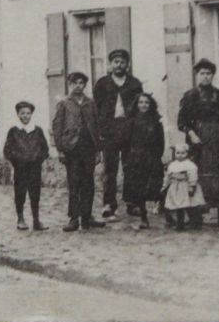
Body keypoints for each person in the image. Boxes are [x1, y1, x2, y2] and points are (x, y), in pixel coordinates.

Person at [176, 58, 219, 228]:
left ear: (213, 75)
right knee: (196, 174)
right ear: (197, 75)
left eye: (209, 73)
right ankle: (196, 216)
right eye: (202, 73)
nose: (206, 77)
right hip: (198, 139)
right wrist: (191, 133)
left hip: (217, 138)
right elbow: (182, 121)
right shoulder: (190, 96)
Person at [94, 48, 143, 219]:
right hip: (110, 132)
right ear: (110, 64)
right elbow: (97, 110)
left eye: (122, 62)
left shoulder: (134, 84)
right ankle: (109, 204)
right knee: (110, 169)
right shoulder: (102, 84)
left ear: (127, 64)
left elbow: (140, 108)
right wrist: (100, 131)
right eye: (116, 62)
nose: (119, 65)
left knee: (132, 168)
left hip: (129, 130)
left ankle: (132, 202)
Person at [52, 72, 102, 232]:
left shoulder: (91, 103)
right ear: (70, 85)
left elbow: (97, 126)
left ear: (85, 85)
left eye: (81, 83)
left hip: (88, 147)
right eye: (75, 83)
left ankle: (86, 218)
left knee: (88, 182)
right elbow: (57, 126)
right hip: (71, 148)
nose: (78, 86)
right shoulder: (64, 104)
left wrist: (98, 150)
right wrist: (60, 149)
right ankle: (74, 218)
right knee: (74, 183)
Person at [3, 100, 49, 231]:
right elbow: (8, 150)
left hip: (35, 168)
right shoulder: (13, 131)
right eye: (22, 113)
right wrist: (18, 160)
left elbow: (45, 149)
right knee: (20, 193)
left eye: (28, 113)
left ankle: (36, 220)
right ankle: (21, 218)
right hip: (20, 169)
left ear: (31, 114)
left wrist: (38, 159)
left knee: (35, 193)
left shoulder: (37, 130)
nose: (25, 116)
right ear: (18, 114)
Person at [123, 92, 166, 229]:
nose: (143, 105)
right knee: (139, 188)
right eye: (141, 102)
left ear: (151, 105)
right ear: (136, 105)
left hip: (152, 157)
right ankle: (143, 216)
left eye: (146, 102)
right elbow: (125, 142)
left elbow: (161, 142)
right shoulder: (130, 122)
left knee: (155, 185)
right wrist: (128, 159)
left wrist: (157, 156)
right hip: (136, 158)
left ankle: (166, 211)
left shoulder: (156, 122)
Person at [162, 144, 204, 230]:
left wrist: (192, 186)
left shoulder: (190, 165)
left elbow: (193, 176)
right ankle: (180, 224)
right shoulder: (172, 165)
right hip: (176, 188)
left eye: (183, 153)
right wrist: (164, 186)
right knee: (179, 207)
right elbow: (168, 177)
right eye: (178, 153)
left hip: (186, 186)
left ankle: (195, 223)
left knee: (190, 205)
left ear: (187, 153)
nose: (180, 155)